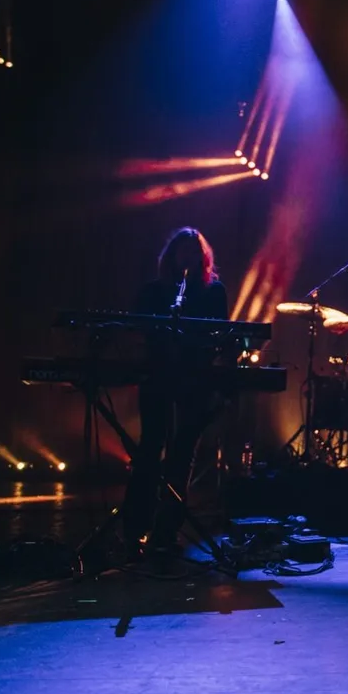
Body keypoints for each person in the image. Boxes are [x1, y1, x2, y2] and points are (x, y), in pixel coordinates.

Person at [121, 227, 229, 557]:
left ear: (203, 257)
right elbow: (136, 332)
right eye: (182, 251)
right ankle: (135, 527)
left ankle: (165, 532)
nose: (188, 257)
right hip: (158, 379)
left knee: (182, 455)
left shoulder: (214, 292)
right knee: (151, 448)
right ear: (172, 256)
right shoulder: (154, 292)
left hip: (195, 381)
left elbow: (222, 334)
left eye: (194, 251)